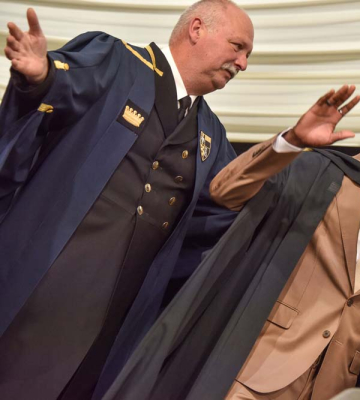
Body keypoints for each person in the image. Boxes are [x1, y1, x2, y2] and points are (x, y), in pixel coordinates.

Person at [103, 80, 360, 400]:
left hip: (337, 388)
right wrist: (292, 141)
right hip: (260, 372)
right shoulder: (318, 171)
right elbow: (225, 190)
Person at [0, 1, 253, 399]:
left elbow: (225, 208)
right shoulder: (118, 61)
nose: (242, 64)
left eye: (247, 55)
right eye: (238, 47)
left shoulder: (211, 135)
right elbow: (67, 82)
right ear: (197, 29)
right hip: (42, 289)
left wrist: (289, 147)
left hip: (116, 322)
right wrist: (42, 76)